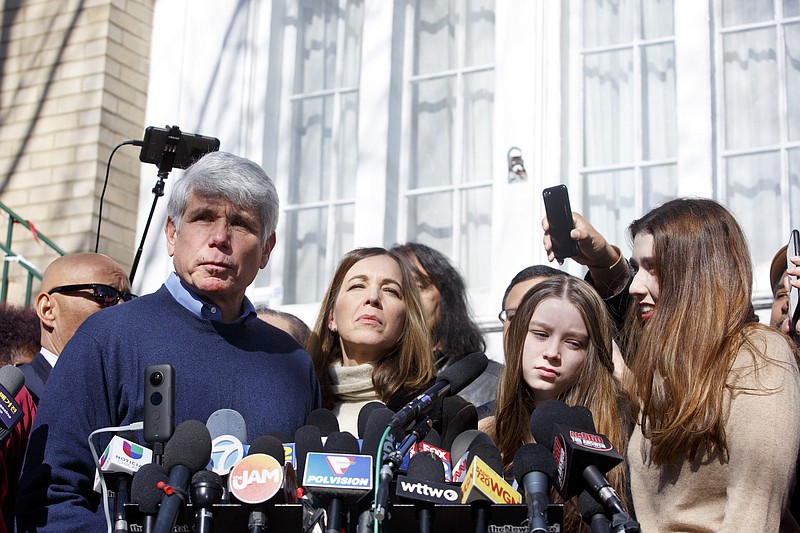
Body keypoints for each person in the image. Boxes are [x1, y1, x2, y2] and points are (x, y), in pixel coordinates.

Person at [17, 151, 321, 531]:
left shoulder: (293, 361)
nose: (220, 238)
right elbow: (51, 499)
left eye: (241, 224)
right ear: (172, 234)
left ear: (267, 249)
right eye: (203, 218)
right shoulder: (106, 338)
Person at [548, 198, 800, 531]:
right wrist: (602, 262)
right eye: (637, 268)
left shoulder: (757, 354)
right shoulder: (669, 370)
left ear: (696, 274)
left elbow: (754, 514)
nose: (636, 286)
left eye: (652, 267)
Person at [479, 275, 628, 532]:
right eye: (540, 334)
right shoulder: (483, 433)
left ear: (591, 354)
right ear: (517, 336)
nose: (552, 352)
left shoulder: (623, 434)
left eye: (573, 343)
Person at [306, 247, 436, 436]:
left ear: (407, 320)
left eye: (390, 290)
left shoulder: (432, 410)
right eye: (358, 286)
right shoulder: (301, 401)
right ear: (331, 316)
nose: (373, 298)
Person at [391, 242, 497, 407]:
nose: (409, 299)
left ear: (446, 298)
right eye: (394, 290)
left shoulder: (492, 382)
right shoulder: (371, 380)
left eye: (418, 287)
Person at [18, 252, 131, 405]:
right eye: (105, 296)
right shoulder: (19, 396)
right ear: (48, 310)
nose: (123, 308)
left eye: (129, 300)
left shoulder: (122, 401)